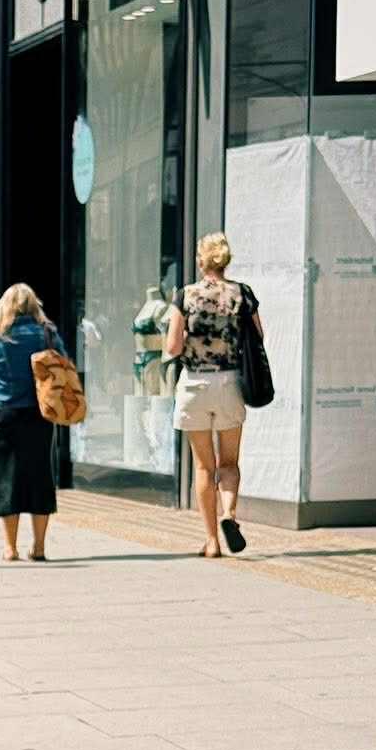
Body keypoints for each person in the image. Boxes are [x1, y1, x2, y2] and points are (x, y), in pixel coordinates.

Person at [164, 231, 257, 559]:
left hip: (194, 384)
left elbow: (173, 346)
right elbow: (257, 337)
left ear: (201, 260)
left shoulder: (186, 295)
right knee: (229, 462)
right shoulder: (242, 294)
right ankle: (228, 514)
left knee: (204, 466)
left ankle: (212, 541)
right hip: (229, 382)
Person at [0, 283, 64, 561]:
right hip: (40, 414)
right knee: (40, 477)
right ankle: (39, 546)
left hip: (5, 415)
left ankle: (10, 547)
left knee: (6, 479)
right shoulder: (47, 334)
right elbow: (63, 361)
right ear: (34, 306)